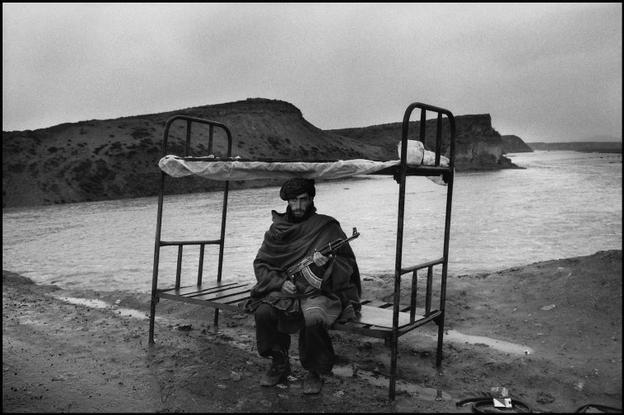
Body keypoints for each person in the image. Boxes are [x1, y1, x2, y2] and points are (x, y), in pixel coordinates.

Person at [247, 177, 361, 395]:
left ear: (311, 200)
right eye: (293, 201)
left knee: (314, 317)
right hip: (285, 291)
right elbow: (260, 263)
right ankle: (279, 362)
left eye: (303, 200)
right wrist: (281, 283)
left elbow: (348, 266)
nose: (298, 206)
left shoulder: (328, 227)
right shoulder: (277, 230)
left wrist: (325, 266)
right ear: (287, 202)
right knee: (263, 312)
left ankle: (314, 372)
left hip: (319, 291)